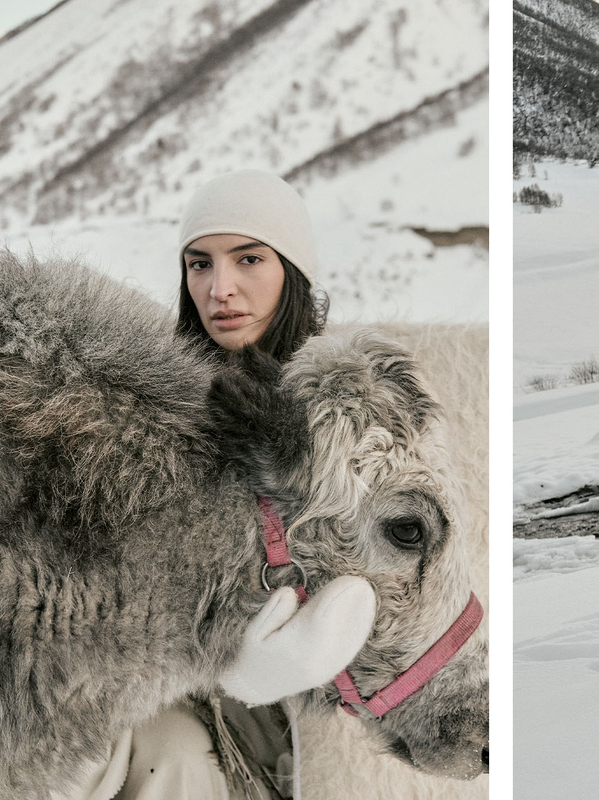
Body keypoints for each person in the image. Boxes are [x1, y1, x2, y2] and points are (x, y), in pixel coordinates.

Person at [68, 170, 376, 800]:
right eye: (199, 264)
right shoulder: (159, 399)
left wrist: (273, 663)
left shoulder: (341, 412)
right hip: (152, 669)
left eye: (249, 259)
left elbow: (377, 575)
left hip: (273, 712)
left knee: (172, 757)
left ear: (291, 269)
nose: (220, 289)